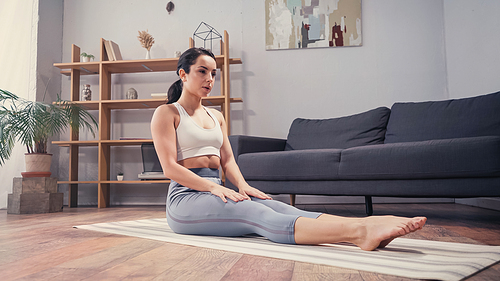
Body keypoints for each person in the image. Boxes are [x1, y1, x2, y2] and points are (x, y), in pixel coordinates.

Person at [151, 47, 427, 251]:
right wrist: (213, 188)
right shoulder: (167, 113)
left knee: (278, 207)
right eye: (202, 71)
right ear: (183, 74)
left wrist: (243, 185)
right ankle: (357, 233)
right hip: (185, 199)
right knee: (256, 214)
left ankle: (367, 225)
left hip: (217, 189)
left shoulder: (217, 116)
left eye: (213, 73)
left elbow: (228, 160)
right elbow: (169, 168)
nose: (210, 78)